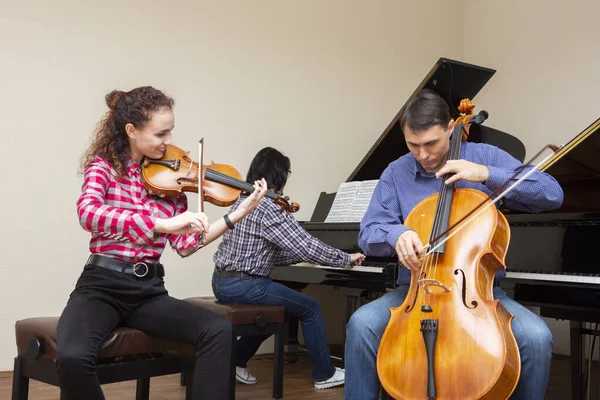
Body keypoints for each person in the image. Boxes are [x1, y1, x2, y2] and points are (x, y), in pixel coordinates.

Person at [344, 89, 564, 400]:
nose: (423, 155)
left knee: (536, 337)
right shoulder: (396, 172)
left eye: (431, 143)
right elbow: (368, 233)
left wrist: (487, 175)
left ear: (451, 127)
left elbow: (552, 194)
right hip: (413, 290)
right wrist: (397, 235)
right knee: (362, 324)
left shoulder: (485, 156)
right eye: (413, 145)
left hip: (479, 293)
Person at [56, 86, 268, 400]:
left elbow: (185, 245)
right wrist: (158, 224)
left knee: (218, 330)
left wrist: (236, 214)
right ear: (132, 131)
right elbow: (88, 213)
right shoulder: (104, 168)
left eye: (170, 132)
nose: (168, 142)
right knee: (73, 357)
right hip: (101, 286)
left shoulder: (172, 187)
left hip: (148, 293)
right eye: (160, 134)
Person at [212, 147, 366, 389]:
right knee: (310, 307)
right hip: (246, 284)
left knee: (278, 309)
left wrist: (303, 258)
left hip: (221, 282)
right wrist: (344, 258)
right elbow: (307, 246)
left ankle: (237, 360)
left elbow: (264, 254)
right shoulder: (269, 209)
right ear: (279, 177)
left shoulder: (242, 201)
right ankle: (324, 374)